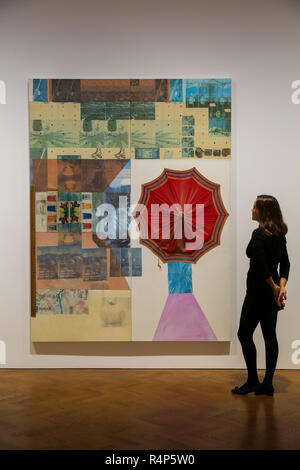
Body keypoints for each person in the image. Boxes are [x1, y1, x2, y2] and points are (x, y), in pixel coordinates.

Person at [232, 195, 290, 396]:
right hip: (271, 294)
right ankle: (268, 384)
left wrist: (275, 287)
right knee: (269, 336)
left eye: (254, 206)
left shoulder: (258, 235)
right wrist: (281, 286)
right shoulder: (279, 234)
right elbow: (285, 264)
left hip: (258, 292)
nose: (251, 209)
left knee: (244, 333)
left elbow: (261, 266)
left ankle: (253, 381)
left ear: (263, 211)